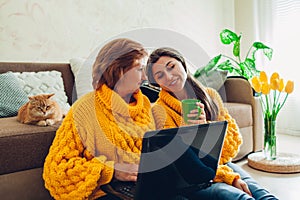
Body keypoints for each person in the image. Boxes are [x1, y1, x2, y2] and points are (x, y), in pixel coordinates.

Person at [146, 47, 278, 200]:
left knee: (262, 194)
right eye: (160, 75)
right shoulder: (158, 111)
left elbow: (232, 144)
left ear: (182, 63)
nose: (169, 76)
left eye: (171, 66)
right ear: (156, 82)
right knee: (239, 196)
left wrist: (207, 128)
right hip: (192, 177)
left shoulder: (210, 95)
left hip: (218, 165)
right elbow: (181, 164)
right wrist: (189, 133)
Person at [43, 38, 156, 199]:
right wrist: (112, 171)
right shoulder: (85, 108)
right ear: (118, 70)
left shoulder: (144, 104)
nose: (145, 77)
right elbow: (57, 169)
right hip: (107, 190)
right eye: (139, 69)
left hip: (147, 185)